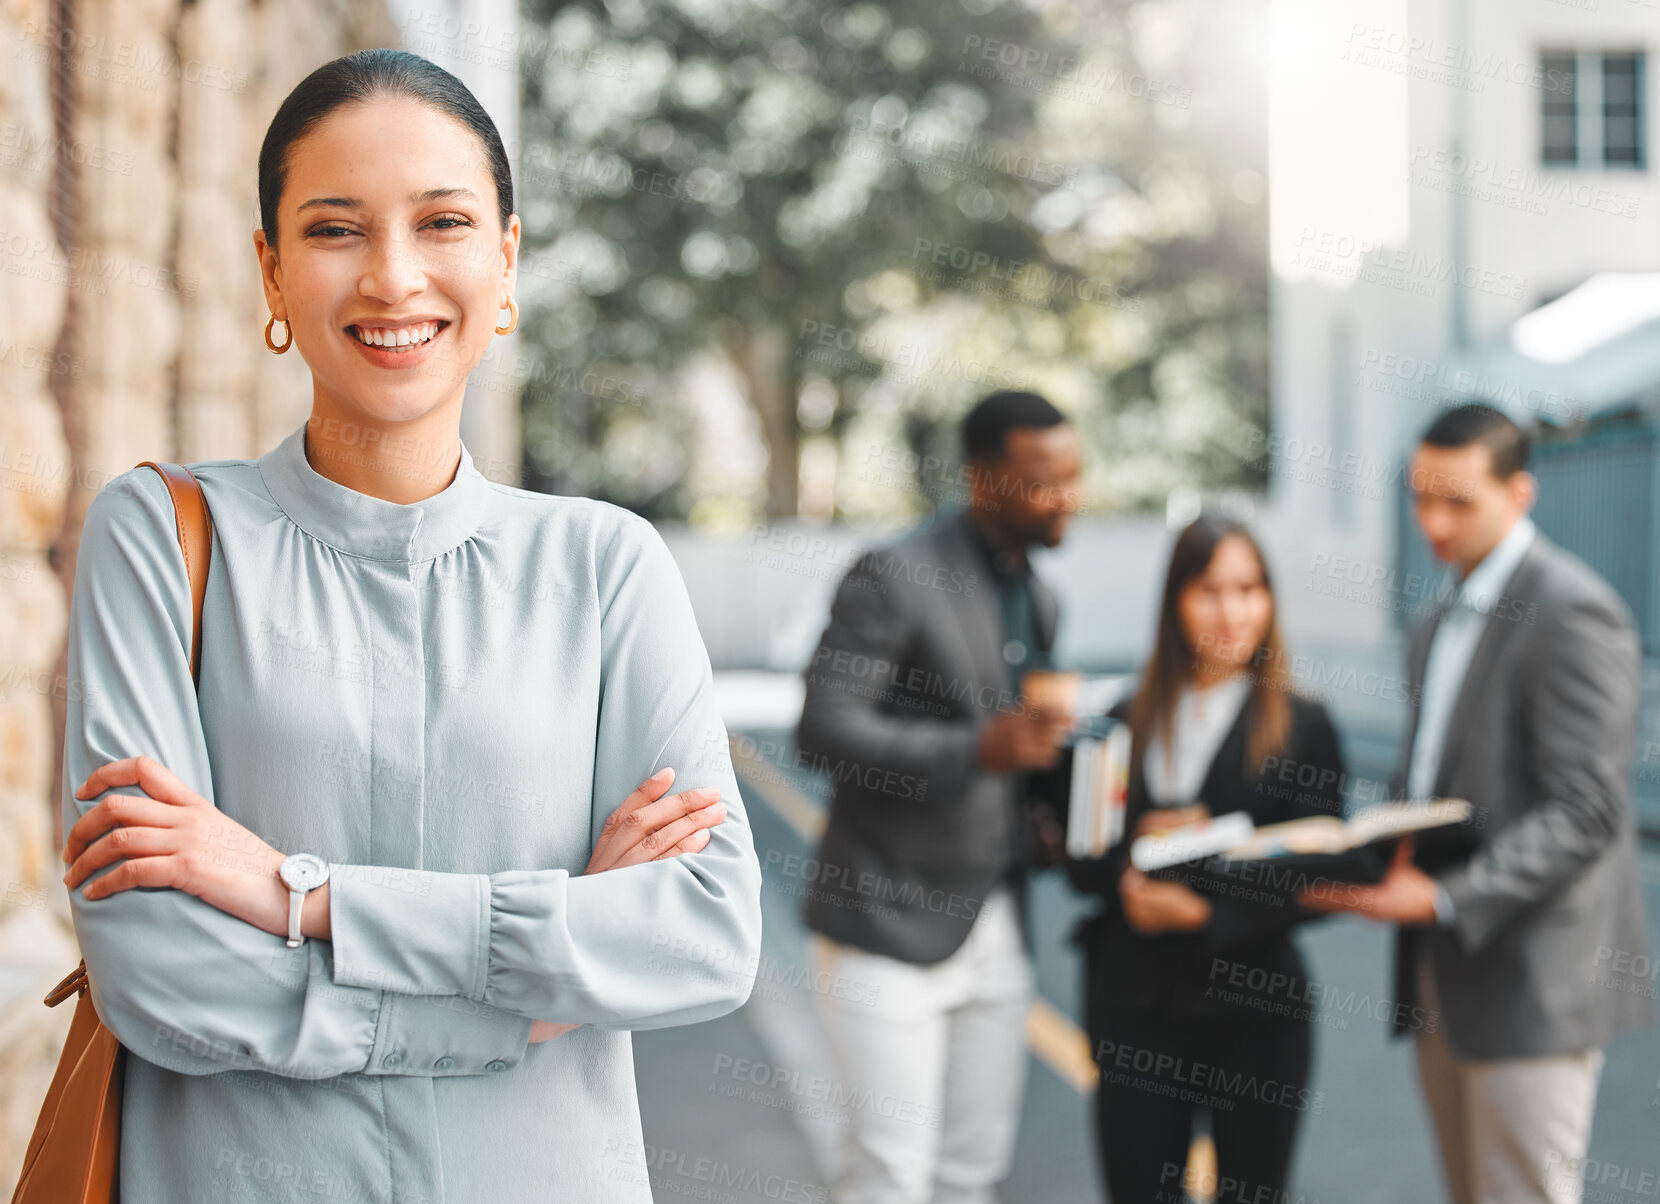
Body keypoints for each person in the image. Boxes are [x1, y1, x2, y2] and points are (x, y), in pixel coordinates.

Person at [56, 49, 762, 1202]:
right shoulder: (163, 537)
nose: (393, 277)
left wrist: (298, 892)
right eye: (335, 230)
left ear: (505, 257)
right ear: (271, 271)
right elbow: (160, 973)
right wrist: (537, 994)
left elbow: (702, 930)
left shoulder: (605, 566)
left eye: (442, 222)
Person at [1301, 403, 1653, 1204]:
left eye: (1458, 501)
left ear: (1520, 492)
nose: (1432, 522)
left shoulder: (1572, 611)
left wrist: (1447, 895)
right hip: (1442, 972)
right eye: (1422, 497)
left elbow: (1588, 811)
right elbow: (1432, 786)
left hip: (1532, 983)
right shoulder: (1434, 623)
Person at [795, 390, 1083, 1204]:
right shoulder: (894, 574)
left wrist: (1046, 819)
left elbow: (1021, 758)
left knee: (970, 1176)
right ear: (983, 481)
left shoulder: (1042, 595)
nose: (1068, 495)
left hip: (997, 925)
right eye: (1043, 480)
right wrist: (977, 749)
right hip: (885, 920)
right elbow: (824, 729)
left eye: (1073, 474)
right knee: (889, 1180)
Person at [1065, 512, 1346, 1204]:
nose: (1232, 612)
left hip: (1254, 1011)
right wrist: (1136, 856)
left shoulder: (1302, 724)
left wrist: (1204, 908)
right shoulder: (1122, 719)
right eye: (1210, 591)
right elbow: (1082, 860)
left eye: (1250, 590)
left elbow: (1322, 873)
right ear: (1175, 601)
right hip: (1135, 1008)